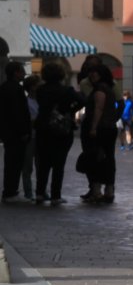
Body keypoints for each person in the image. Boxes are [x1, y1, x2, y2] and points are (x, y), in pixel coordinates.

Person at [32, 62, 80, 206]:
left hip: (43, 127)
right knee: (59, 163)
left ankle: (40, 193)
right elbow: (82, 101)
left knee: (43, 163)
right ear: (61, 74)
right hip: (61, 129)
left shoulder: (40, 90)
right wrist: (69, 110)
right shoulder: (67, 90)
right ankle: (55, 195)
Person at [81, 63, 118, 204]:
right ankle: (109, 189)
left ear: (101, 74)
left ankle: (97, 191)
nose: (91, 75)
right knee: (109, 159)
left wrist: (93, 127)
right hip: (110, 128)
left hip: (101, 129)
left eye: (94, 72)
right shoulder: (109, 88)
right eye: (90, 72)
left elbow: (99, 108)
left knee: (96, 158)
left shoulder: (100, 89)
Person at [0, 61, 30, 202]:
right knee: (15, 162)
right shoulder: (16, 89)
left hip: (8, 131)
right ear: (15, 73)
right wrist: (23, 131)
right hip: (16, 133)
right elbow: (18, 113)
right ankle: (10, 191)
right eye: (22, 71)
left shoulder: (4, 87)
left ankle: (10, 190)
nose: (24, 73)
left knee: (11, 162)